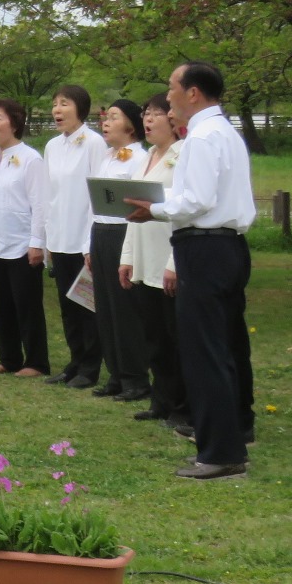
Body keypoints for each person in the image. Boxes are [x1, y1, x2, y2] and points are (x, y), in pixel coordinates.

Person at [125, 62, 256, 481]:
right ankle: (231, 437)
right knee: (226, 348)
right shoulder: (227, 134)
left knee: (205, 352)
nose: (168, 97)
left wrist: (154, 210)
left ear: (193, 93)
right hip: (229, 247)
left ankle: (220, 453)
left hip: (204, 247)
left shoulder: (202, 137)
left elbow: (195, 200)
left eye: (172, 88)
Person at [120, 94, 188, 429]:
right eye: (146, 113)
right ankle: (160, 400)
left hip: (167, 257)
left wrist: (175, 263)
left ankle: (181, 405)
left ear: (172, 119)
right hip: (144, 258)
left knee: (174, 337)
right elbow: (133, 210)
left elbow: (184, 217)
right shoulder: (145, 157)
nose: (148, 120)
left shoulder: (183, 155)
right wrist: (127, 258)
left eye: (156, 113)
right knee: (154, 338)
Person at [0, 99, 51, 377]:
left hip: (21, 245)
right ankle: (9, 358)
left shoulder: (31, 159)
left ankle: (37, 362)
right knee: (1, 305)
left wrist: (36, 242)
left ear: (14, 123)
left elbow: (40, 204)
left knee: (27, 305)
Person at [42, 85, 104, 389]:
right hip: (59, 237)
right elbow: (50, 196)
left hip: (83, 238)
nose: (56, 110)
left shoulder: (94, 143)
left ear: (80, 108)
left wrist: (90, 242)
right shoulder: (53, 146)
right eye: (54, 104)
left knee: (85, 305)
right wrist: (48, 241)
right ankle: (75, 361)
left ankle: (90, 367)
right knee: (67, 307)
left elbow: (96, 197)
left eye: (63, 103)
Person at [90, 99, 149, 402]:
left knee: (125, 307)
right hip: (100, 231)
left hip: (123, 232)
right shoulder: (106, 158)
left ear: (130, 124)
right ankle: (115, 372)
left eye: (114, 117)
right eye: (105, 117)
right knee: (105, 306)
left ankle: (135, 377)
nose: (106, 122)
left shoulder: (141, 158)